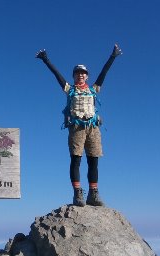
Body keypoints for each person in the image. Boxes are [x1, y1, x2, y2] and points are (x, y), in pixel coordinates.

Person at [35, 44, 122, 206]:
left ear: (87, 77)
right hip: (76, 128)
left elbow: (104, 73)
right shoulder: (69, 89)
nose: (80, 75)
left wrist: (113, 57)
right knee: (76, 160)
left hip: (93, 127)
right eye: (77, 73)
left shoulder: (94, 89)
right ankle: (77, 194)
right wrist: (46, 60)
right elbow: (57, 75)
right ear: (74, 76)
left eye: (83, 73)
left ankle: (93, 194)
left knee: (93, 161)